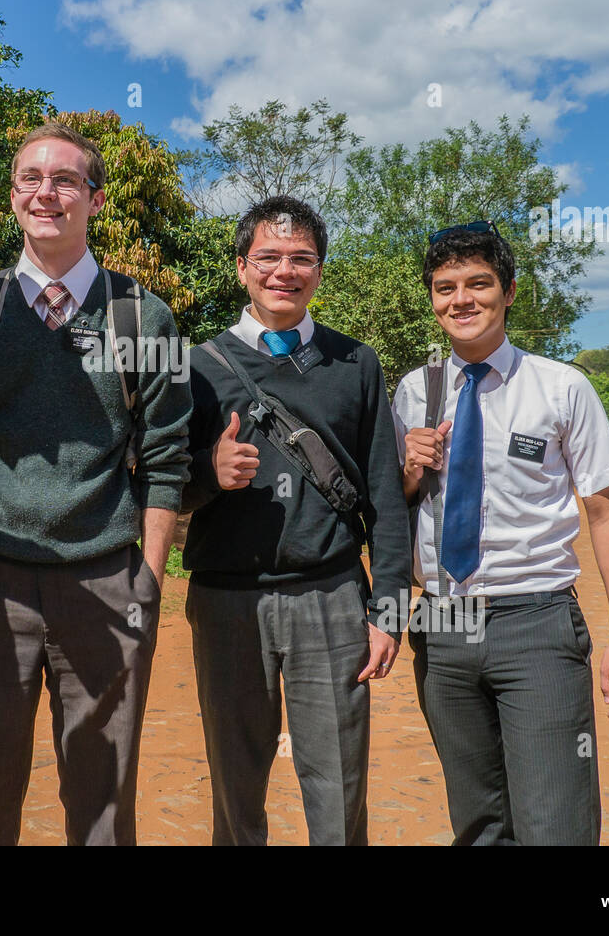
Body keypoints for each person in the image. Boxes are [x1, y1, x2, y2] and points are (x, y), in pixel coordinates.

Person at [0, 122, 192, 846]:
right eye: (30, 178)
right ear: (12, 198)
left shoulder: (142, 318)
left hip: (105, 585)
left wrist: (147, 585)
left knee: (103, 803)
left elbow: (165, 461)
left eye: (66, 180)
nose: (47, 192)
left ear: (95, 200)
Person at [393, 220, 609, 846]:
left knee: (555, 822)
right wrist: (406, 470)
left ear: (508, 291)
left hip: (536, 622)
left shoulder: (561, 388)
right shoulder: (412, 393)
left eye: (479, 283)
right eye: (445, 287)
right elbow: (393, 511)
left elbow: (606, 512)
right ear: (432, 298)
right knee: (478, 823)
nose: (462, 300)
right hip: (443, 627)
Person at [179, 196, 411, 846]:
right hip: (228, 604)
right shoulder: (198, 367)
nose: (285, 270)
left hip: (332, 600)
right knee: (235, 789)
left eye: (301, 258)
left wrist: (387, 606)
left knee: (338, 790)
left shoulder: (356, 364)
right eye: (269, 257)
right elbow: (162, 486)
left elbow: (385, 495)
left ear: (319, 268)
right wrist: (209, 470)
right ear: (242, 268)